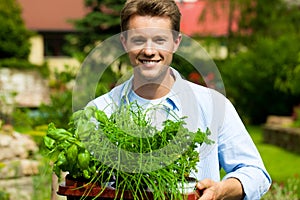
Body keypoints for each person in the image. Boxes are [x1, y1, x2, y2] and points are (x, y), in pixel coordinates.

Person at [86, 0, 271, 199]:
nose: (149, 51)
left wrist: (220, 190)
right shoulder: (100, 111)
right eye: (138, 40)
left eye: (160, 40)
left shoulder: (213, 106)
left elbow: (255, 173)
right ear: (124, 42)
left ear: (176, 43)